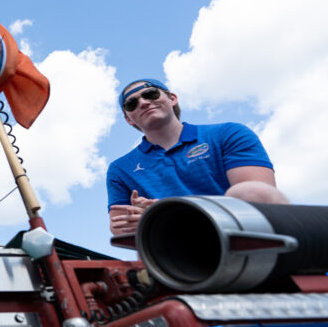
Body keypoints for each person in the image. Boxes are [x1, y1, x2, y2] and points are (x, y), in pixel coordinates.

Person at [107, 78, 288, 236]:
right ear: (129, 119)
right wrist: (139, 219)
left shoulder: (229, 133)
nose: (143, 102)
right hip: (177, 250)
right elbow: (119, 228)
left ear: (172, 99)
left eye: (151, 94)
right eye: (131, 103)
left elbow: (259, 197)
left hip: (245, 236)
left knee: (250, 191)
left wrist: (166, 213)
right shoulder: (120, 169)